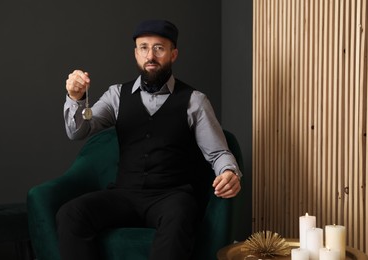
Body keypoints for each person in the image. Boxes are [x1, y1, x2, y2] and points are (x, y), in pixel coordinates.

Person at [58, 19, 242, 260]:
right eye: (144, 47)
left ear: (173, 54)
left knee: (181, 215)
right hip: (124, 194)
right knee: (70, 214)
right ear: (136, 53)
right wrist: (75, 97)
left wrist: (230, 172)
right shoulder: (116, 95)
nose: (150, 55)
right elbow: (78, 131)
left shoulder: (194, 101)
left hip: (171, 197)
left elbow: (218, 153)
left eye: (159, 48)